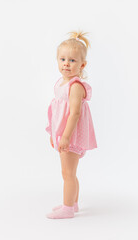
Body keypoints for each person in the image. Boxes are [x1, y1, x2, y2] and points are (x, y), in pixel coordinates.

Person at [45, 30, 97, 219]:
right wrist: (54, 133)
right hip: (63, 132)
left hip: (71, 134)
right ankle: (73, 203)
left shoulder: (75, 86)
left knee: (68, 172)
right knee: (69, 172)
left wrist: (65, 136)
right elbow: (58, 111)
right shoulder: (61, 82)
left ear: (82, 64)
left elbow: (74, 114)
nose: (66, 63)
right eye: (62, 59)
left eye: (72, 61)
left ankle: (67, 209)